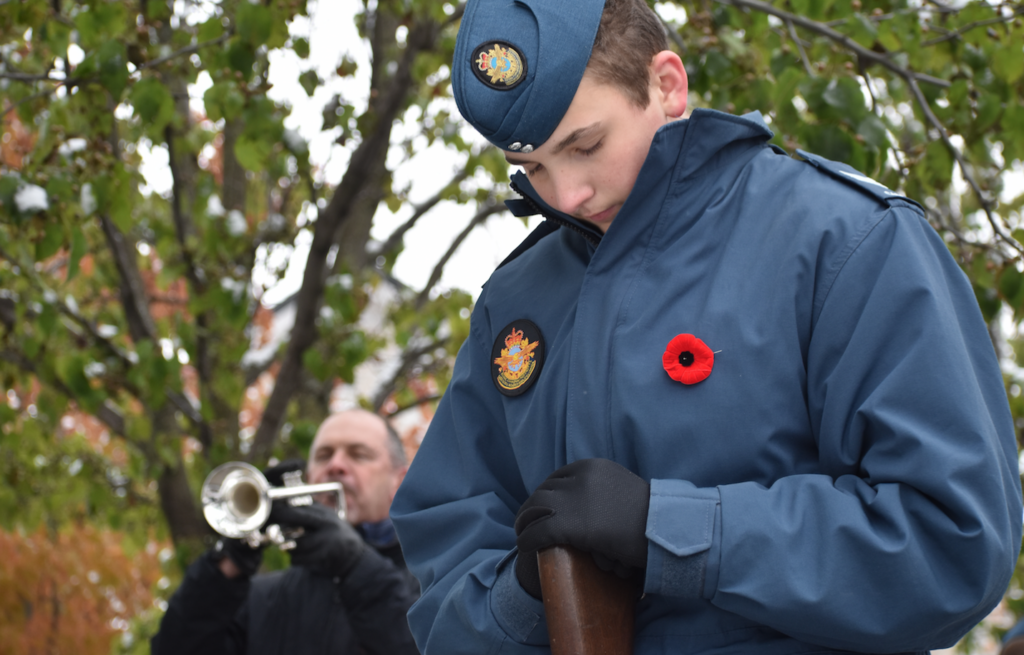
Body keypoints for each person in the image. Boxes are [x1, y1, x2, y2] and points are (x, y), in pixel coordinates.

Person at [389, 0, 1024, 653]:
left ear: (666, 85)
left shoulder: (845, 239)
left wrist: (671, 531)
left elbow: (951, 543)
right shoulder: (515, 301)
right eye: (533, 170)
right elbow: (443, 577)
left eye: (586, 145)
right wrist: (522, 594)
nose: (567, 194)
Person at [151, 409, 419, 655]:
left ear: (401, 482)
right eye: (324, 456)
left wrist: (356, 566)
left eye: (359, 454)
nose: (336, 465)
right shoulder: (261, 597)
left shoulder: (434, 581)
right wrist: (227, 565)